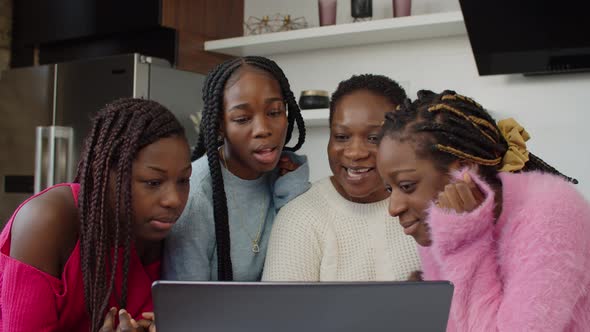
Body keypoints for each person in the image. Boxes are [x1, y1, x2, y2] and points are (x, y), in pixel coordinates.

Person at [376, 90, 590, 331]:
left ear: (464, 170)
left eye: (406, 186)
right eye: (389, 189)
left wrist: (465, 242)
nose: (393, 208)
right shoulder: (443, 220)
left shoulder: (553, 213)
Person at [0, 98, 192, 332]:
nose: (173, 199)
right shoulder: (46, 221)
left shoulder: (157, 231)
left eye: (183, 180)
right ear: (105, 174)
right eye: (153, 182)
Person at [162, 56, 309, 281]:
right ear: (220, 126)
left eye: (274, 112)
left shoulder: (286, 174)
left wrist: (290, 186)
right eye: (242, 118)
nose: (262, 129)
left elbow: (298, 269)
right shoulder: (195, 194)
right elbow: (188, 304)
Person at [263, 74, 421, 281]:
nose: (355, 153)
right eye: (341, 137)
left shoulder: (426, 208)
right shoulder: (300, 217)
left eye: (374, 138)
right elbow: (281, 311)